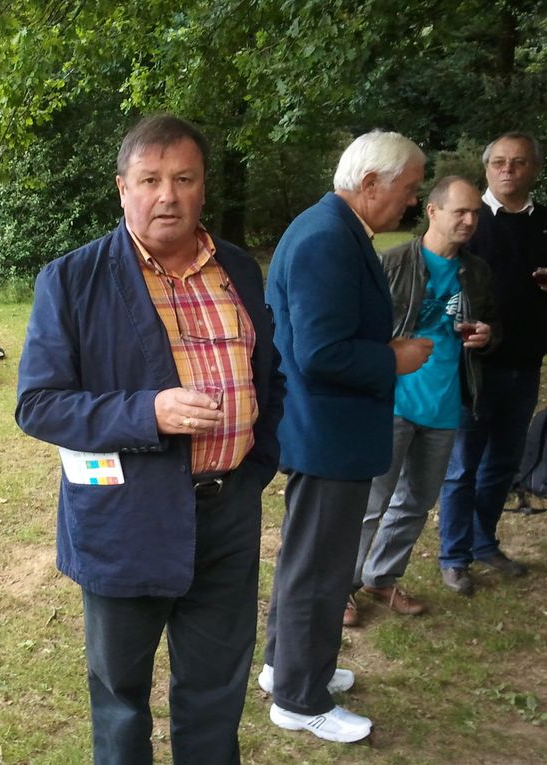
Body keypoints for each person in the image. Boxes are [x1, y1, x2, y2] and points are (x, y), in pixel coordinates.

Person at [16, 115, 284, 765]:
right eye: (151, 179)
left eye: (184, 179)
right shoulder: (73, 280)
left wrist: (254, 466)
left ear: (203, 188)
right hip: (127, 515)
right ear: (122, 188)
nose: (168, 194)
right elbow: (39, 403)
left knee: (217, 686)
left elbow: (269, 374)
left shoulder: (240, 270)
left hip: (227, 509)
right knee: (120, 692)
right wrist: (150, 411)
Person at [262, 130, 432, 743]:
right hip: (325, 428)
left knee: (307, 559)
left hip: (325, 428)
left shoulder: (330, 228)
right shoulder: (326, 238)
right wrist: (395, 358)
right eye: (409, 190)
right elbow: (321, 351)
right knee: (321, 568)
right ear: (369, 184)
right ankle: (298, 699)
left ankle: (287, 668)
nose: (412, 203)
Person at [350, 177, 499, 623]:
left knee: (416, 503)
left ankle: (382, 577)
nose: (470, 220)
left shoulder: (477, 271)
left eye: (475, 213)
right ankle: (342, 586)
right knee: (370, 505)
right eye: (460, 211)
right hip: (393, 401)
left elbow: (492, 326)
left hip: (445, 406)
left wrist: (488, 336)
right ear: (432, 212)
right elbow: (362, 328)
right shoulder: (393, 261)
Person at [438, 131, 547, 594]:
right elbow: (441, 279)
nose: (508, 170)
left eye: (519, 162)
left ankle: (485, 543)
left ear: (534, 170)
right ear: (487, 169)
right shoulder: (471, 221)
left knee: (503, 461)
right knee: (463, 464)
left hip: (526, 361)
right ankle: (454, 555)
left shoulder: (545, 222)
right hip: (475, 366)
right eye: (499, 162)